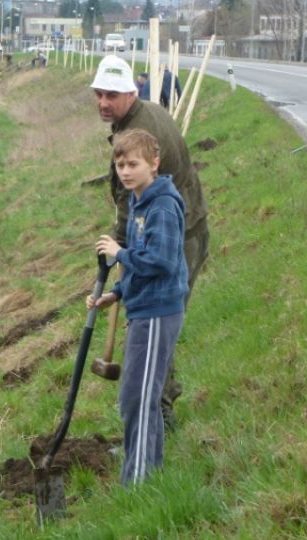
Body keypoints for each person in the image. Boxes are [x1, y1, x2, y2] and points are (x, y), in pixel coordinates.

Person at [89, 54, 209, 431]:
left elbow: (133, 199)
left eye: (111, 95)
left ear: (129, 92)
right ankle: (155, 408)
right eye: (98, 95)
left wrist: (120, 249)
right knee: (151, 320)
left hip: (177, 238)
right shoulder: (142, 117)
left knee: (155, 322)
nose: (103, 103)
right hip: (181, 228)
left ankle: (159, 413)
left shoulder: (141, 136)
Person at [87, 128, 188, 485]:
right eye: (119, 164)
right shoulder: (138, 202)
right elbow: (140, 264)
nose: (125, 171)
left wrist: (120, 254)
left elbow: (161, 261)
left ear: (154, 163)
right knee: (135, 396)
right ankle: (149, 472)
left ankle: (138, 484)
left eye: (133, 163)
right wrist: (116, 292)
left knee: (138, 398)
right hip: (143, 307)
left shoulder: (162, 206)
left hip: (159, 311)